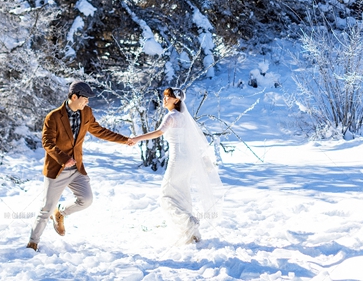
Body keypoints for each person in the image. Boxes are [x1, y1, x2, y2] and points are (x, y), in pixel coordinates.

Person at [26, 81, 134, 251]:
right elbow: (47, 142)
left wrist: (124, 139)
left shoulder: (87, 113)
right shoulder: (53, 117)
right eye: (85, 98)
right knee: (46, 208)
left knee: (86, 200)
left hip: (76, 169)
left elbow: (100, 131)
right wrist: (63, 158)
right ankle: (33, 242)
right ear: (74, 97)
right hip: (57, 170)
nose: (87, 102)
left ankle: (61, 212)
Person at [129, 88, 224, 244]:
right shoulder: (183, 117)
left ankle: (190, 224)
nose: (164, 100)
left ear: (177, 100)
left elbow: (159, 133)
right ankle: (190, 234)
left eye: (168, 97)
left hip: (178, 159)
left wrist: (136, 138)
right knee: (181, 193)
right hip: (188, 160)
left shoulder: (172, 116)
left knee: (166, 196)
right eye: (164, 97)